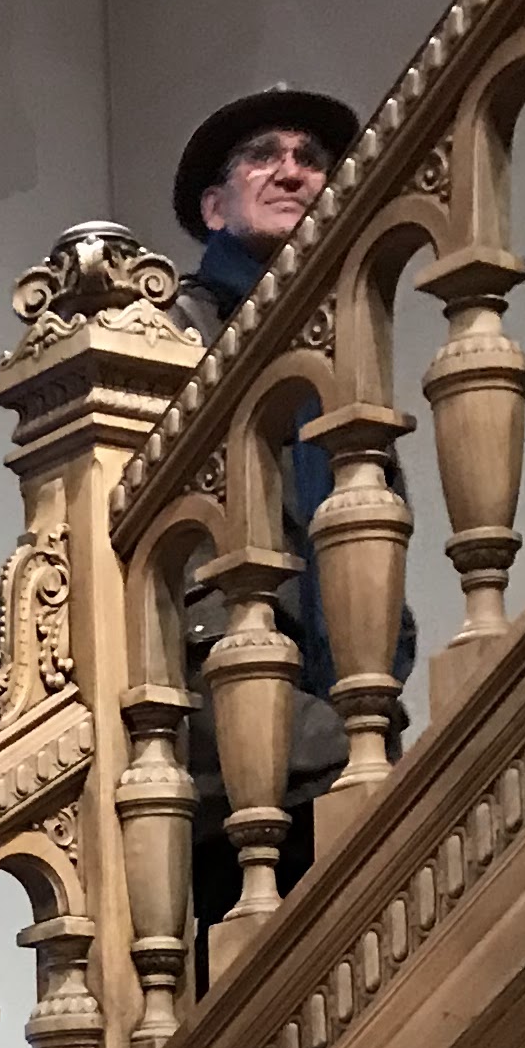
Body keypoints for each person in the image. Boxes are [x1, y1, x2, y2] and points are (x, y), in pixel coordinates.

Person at [166, 86, 365, 930]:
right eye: (263, 156)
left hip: (340, 697)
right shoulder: (170, 333)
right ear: (214, 207)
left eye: (311, 160)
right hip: (232, 710)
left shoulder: (340, 343)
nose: (292, 171)